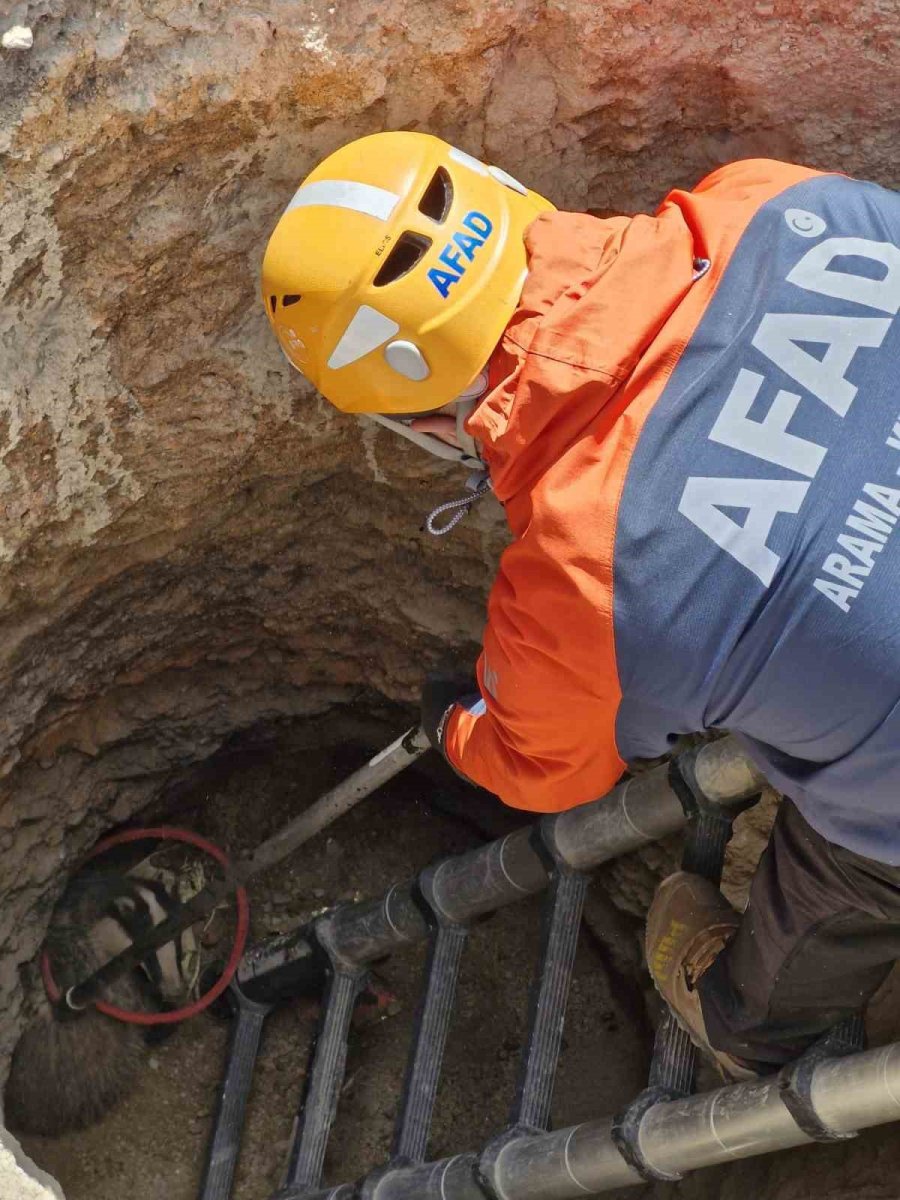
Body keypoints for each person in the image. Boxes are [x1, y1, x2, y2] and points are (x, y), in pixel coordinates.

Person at [261, 132, 900, 1080]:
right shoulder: (786, 202)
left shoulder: (581, 573)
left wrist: (457, 724)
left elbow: (547, 775)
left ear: (423, 420)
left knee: (831, 898)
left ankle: (742, 1025)